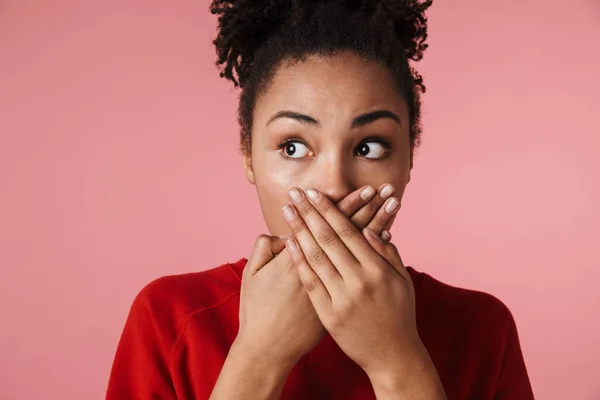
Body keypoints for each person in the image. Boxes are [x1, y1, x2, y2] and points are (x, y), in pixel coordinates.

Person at [106, 1, 534, 399]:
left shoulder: (482, 330)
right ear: (248, 155)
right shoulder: (170, 320)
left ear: (408, 160)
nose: (332, 186)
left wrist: (397, 362)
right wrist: (259, 357)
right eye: (293, 146)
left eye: (370, 147)